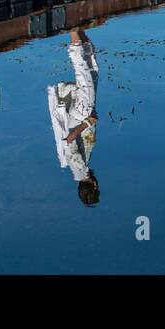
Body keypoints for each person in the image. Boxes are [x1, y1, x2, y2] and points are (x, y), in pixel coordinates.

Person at [46, 29, 100, 205]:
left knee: (82, 69)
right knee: (92, 71)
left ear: (94, 186)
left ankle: (73, 26)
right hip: (82, 113)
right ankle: (82, 26)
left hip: (81, 112)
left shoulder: (79, 168)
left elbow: (68, 140)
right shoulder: (82, 170)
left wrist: (88, 122)